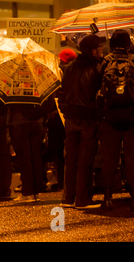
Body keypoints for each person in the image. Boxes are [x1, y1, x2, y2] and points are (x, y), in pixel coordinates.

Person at [58, 34, 105, 209]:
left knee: (71, 159)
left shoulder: (69, 68)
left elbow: (61, 93)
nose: (102, 50)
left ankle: (68, 197)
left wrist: (66, 110)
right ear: (93, 51)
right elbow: (100, 95)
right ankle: (83, 199)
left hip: (70, 119)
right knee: (86, 159)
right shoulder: (97, 68)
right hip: (88, 119)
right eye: (99, 48)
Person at [98, 30, 134, 211]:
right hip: (131, 118)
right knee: (132, 158)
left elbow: (96, 89)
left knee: (109, 158)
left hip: (109, 118)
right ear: (128, 44)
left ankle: (107, 196)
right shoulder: (133, 61)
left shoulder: (105, 62)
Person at [8, 97, 55, 202]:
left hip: (19, 121)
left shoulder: (15, 84)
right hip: (37, 122)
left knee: (24, 158)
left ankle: (28, 191)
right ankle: (35, 190)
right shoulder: (38, 82)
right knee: (35, 157)